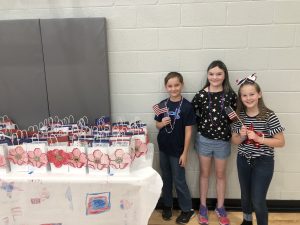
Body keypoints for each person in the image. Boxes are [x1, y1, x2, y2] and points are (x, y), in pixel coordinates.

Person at [231, 75, 285, 225]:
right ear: (240, 98)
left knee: (258, 199)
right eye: (244, 95)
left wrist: (258, 138)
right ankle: (247, 221)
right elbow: (234, 140)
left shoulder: (269, 116)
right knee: (245, 195)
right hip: (243, 160)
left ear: (259, 94)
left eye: (252, 94)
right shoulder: (239, 116)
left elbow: (281, 142)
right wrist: (241, 136)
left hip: (263, 162)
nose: (248, 98)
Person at [192, 60, 237, 225]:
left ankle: (220, 207)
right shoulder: (202, 94)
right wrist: (201, 125)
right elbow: (192, 113)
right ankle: (203, 206)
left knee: (220, 175)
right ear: (207, 75)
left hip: (223, 142)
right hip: (204, 140)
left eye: (219, 74)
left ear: (225, 75)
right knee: (204, 174)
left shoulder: (230, 95)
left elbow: (235, 118)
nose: (215, 77)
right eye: (211, 74)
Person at [154, 72, 196, 224]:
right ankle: (167, 205)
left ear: (182, 85)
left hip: (178, 151)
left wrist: (185, 153)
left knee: (179, 180)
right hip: (164, 148)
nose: (173, 88)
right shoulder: (161, 105)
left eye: (176, 85)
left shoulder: (187, 106)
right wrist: (162, 123)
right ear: (166, 87)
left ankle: (187, 210)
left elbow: (189, 131)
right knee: (166, 178)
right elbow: (157, 125)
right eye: (170, 86)